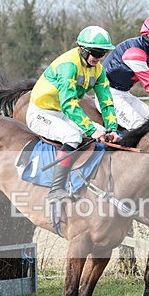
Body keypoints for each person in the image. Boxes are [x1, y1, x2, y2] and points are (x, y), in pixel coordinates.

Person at [26, 25, 121, 203]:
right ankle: (56, 189)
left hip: (62, 114)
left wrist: (112, 128)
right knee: (72, 137)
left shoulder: (98, 70)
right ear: (83, 49)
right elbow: (69, 103)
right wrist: (91, 130)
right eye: (96, 53)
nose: (99, 58)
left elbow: (106, 102)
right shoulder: (68, 66)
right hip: (41, 113)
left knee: (103, 132)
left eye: (103, 53)